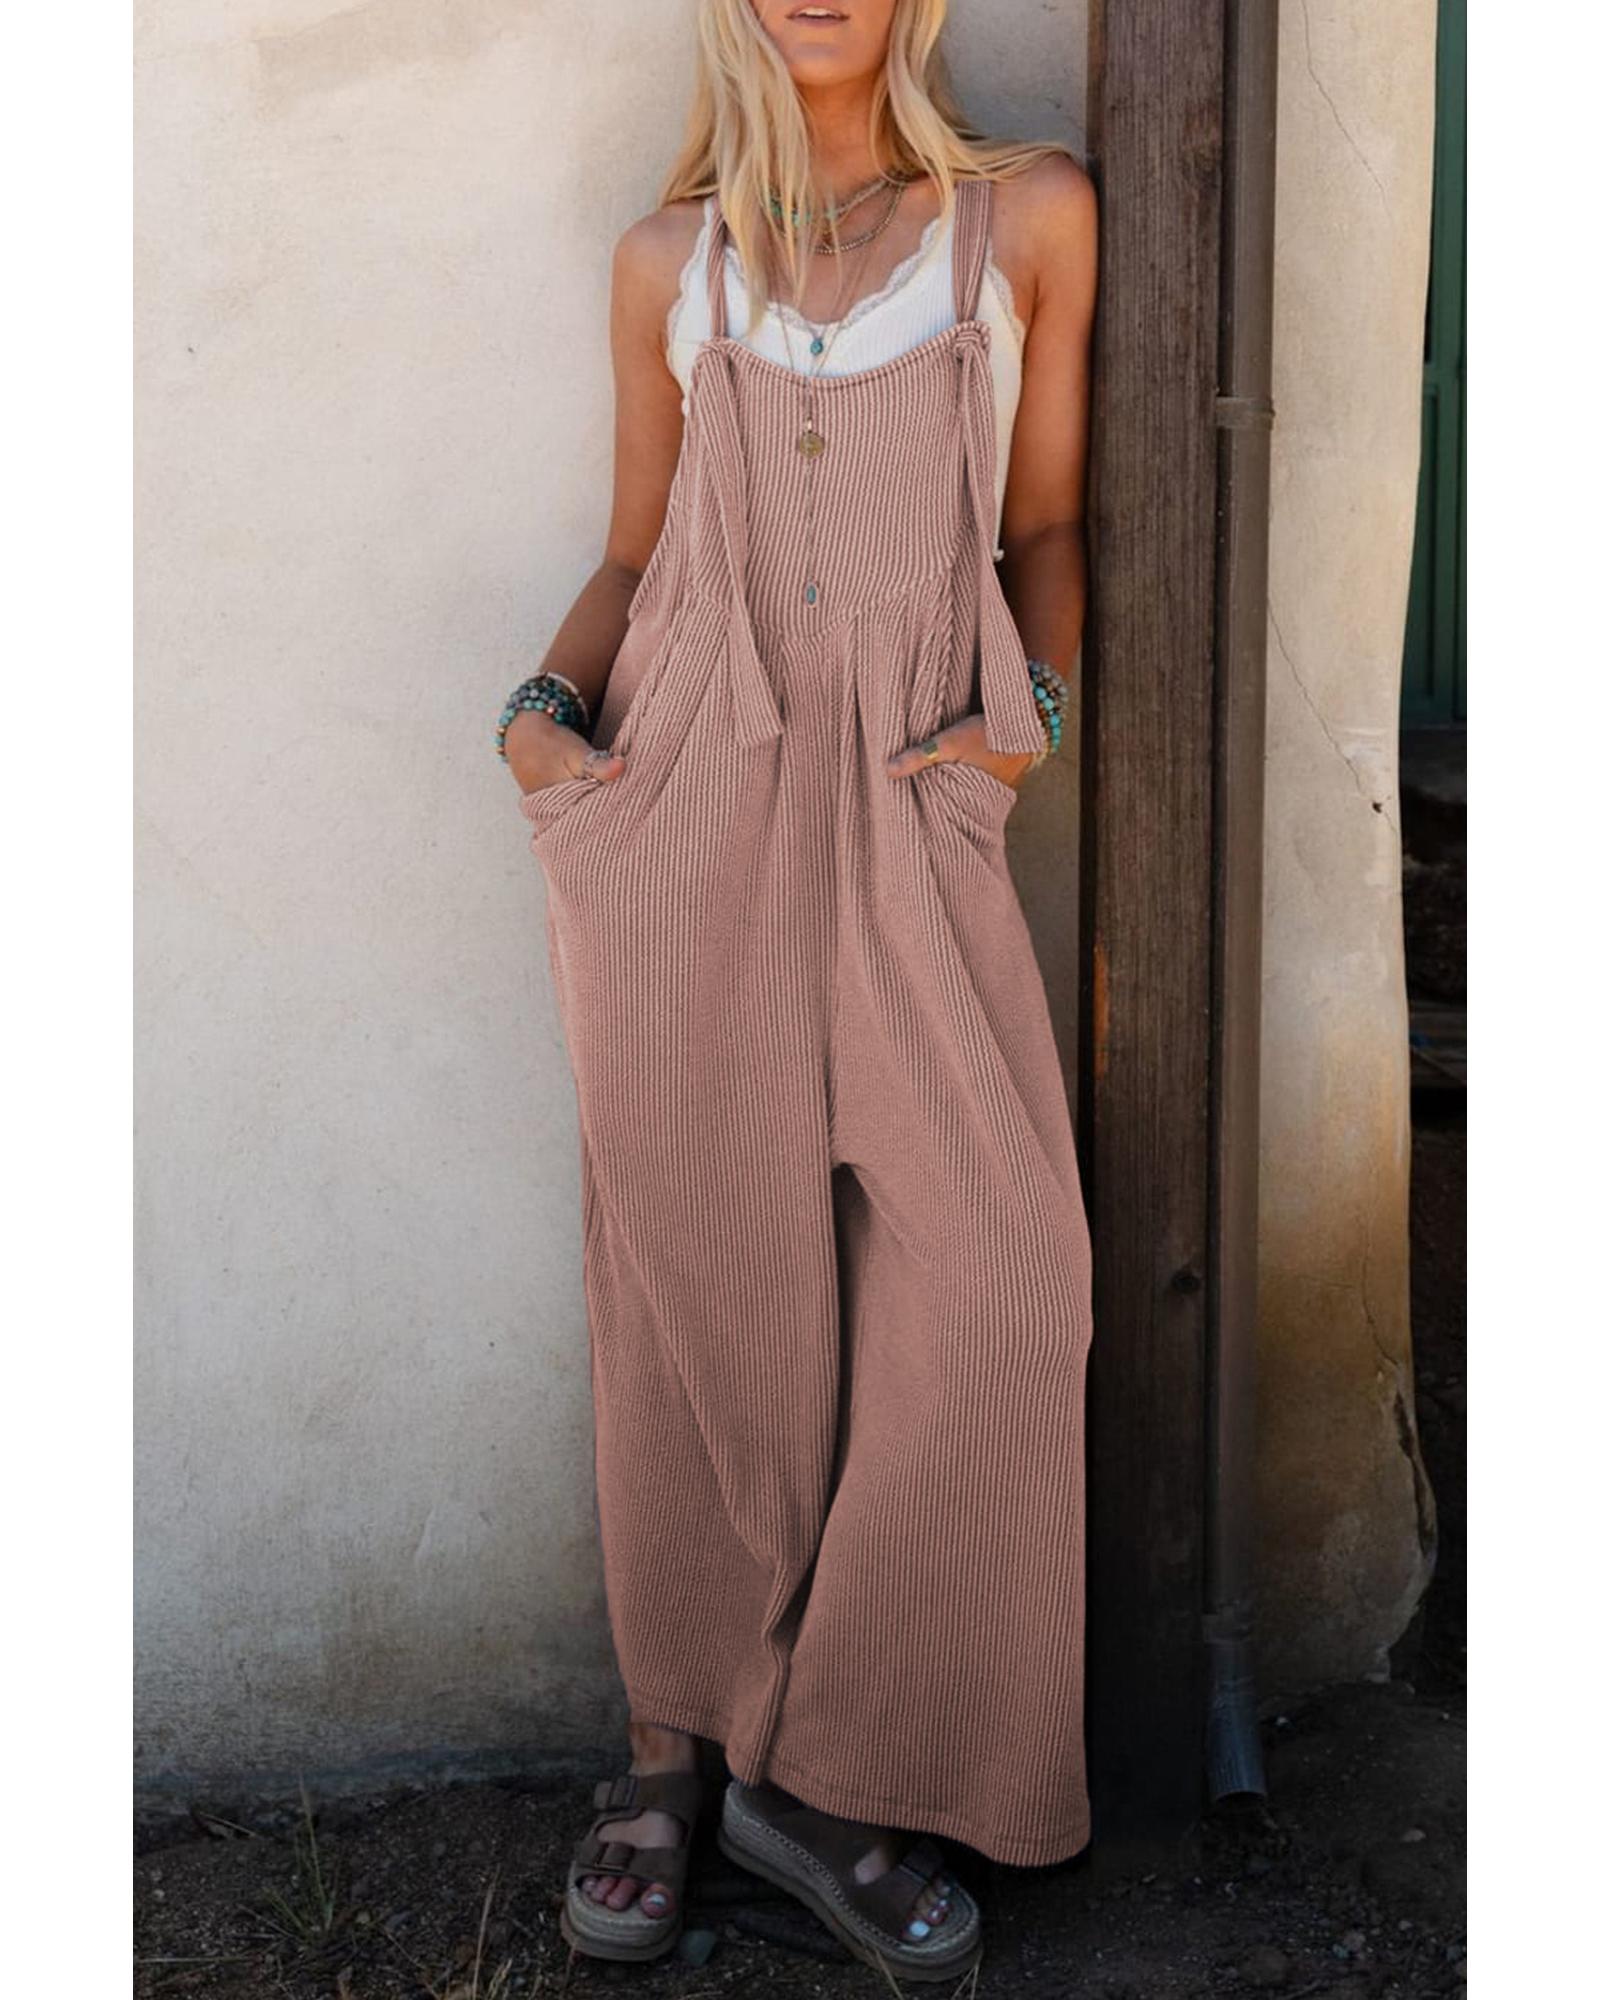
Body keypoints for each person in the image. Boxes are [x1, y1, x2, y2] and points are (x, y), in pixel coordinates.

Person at [497, 0, 1098, 1979]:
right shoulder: (663, 262)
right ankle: (672, 1753)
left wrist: (1022, 727)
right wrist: (541, 722)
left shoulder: (1025, 219)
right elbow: (633, 551)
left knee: (1006, 1285)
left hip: (917, 789)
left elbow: (1041, 523)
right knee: (699, 1285)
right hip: (687, 791)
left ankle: (830, 1771)